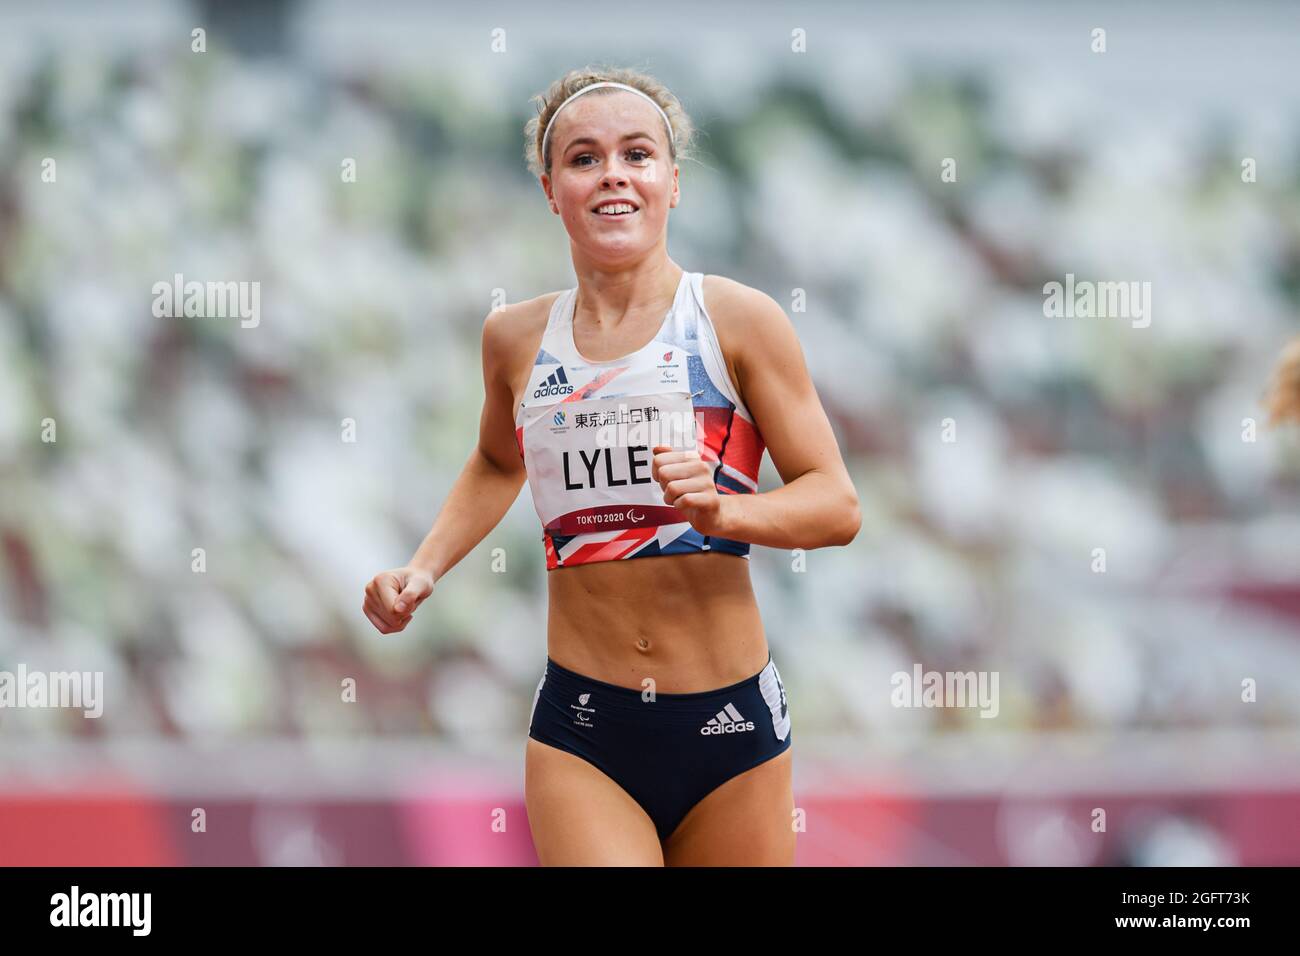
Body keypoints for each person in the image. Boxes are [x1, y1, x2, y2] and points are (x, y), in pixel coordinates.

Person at [362, 66, 860, 866]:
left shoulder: (735, 321)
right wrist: (424, 569)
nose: (614, 175)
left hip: (727, 727)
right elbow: (496, 461)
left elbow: (836, 505)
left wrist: (728, 513)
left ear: (672, 181)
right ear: (550, 189)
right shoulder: (515, 339)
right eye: (585, 159)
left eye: (637, 154)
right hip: (585, 731)